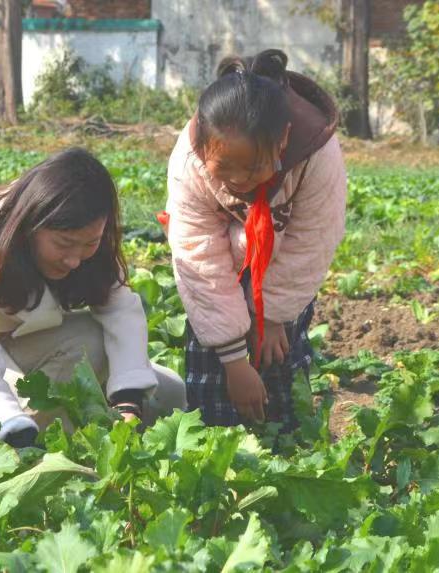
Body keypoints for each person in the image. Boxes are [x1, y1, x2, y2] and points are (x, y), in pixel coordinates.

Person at [0, 148, 187, 448]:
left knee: (171, 393)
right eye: (64, 243)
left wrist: (129, 402)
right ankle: (60, 450)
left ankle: (69, 429)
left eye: (90, 243)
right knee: (91, 345)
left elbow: (121, 309)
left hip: (15, 348)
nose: (74, 260)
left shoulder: (85, 242)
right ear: (31, 225)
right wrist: (9, 423)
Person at [163, 49, 346, 429]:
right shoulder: (189, 159)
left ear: (283, 141)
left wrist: (273, 316)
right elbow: (198, 256)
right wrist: (233, 360)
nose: (240, 180)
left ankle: (286, 449)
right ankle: (218, 445)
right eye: (225, 168)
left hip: (282, 268)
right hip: (218, 269)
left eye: (253, 168)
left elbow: (311, 241)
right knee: (212, 375)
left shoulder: (316, 151)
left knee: (280, 363)